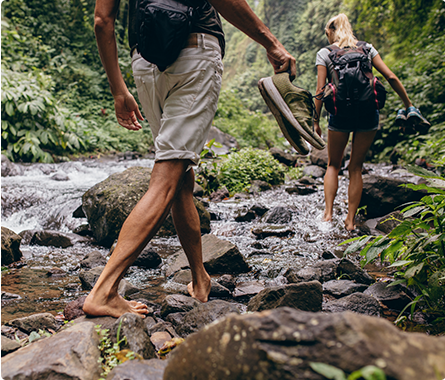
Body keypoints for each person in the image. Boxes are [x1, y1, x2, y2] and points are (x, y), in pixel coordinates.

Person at [83, 0, 296, 318]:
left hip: (145, 59)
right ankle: (104, 290)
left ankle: (199, 278)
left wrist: (118, 90)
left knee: (180, 175)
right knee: (168, 176)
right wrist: (272, 43)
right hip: (194, 50)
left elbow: (102, 20)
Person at [314, 13, 415, 231]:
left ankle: (328, 215)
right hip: (368, 113)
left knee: (333, 165)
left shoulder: (325, 53)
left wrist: (315, 122)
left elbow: (320, 91)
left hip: (340, 114)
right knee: (356, 168)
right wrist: (408, 105)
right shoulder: (367, 49)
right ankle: (350, 221)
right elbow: (391, 77)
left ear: (330, 32)